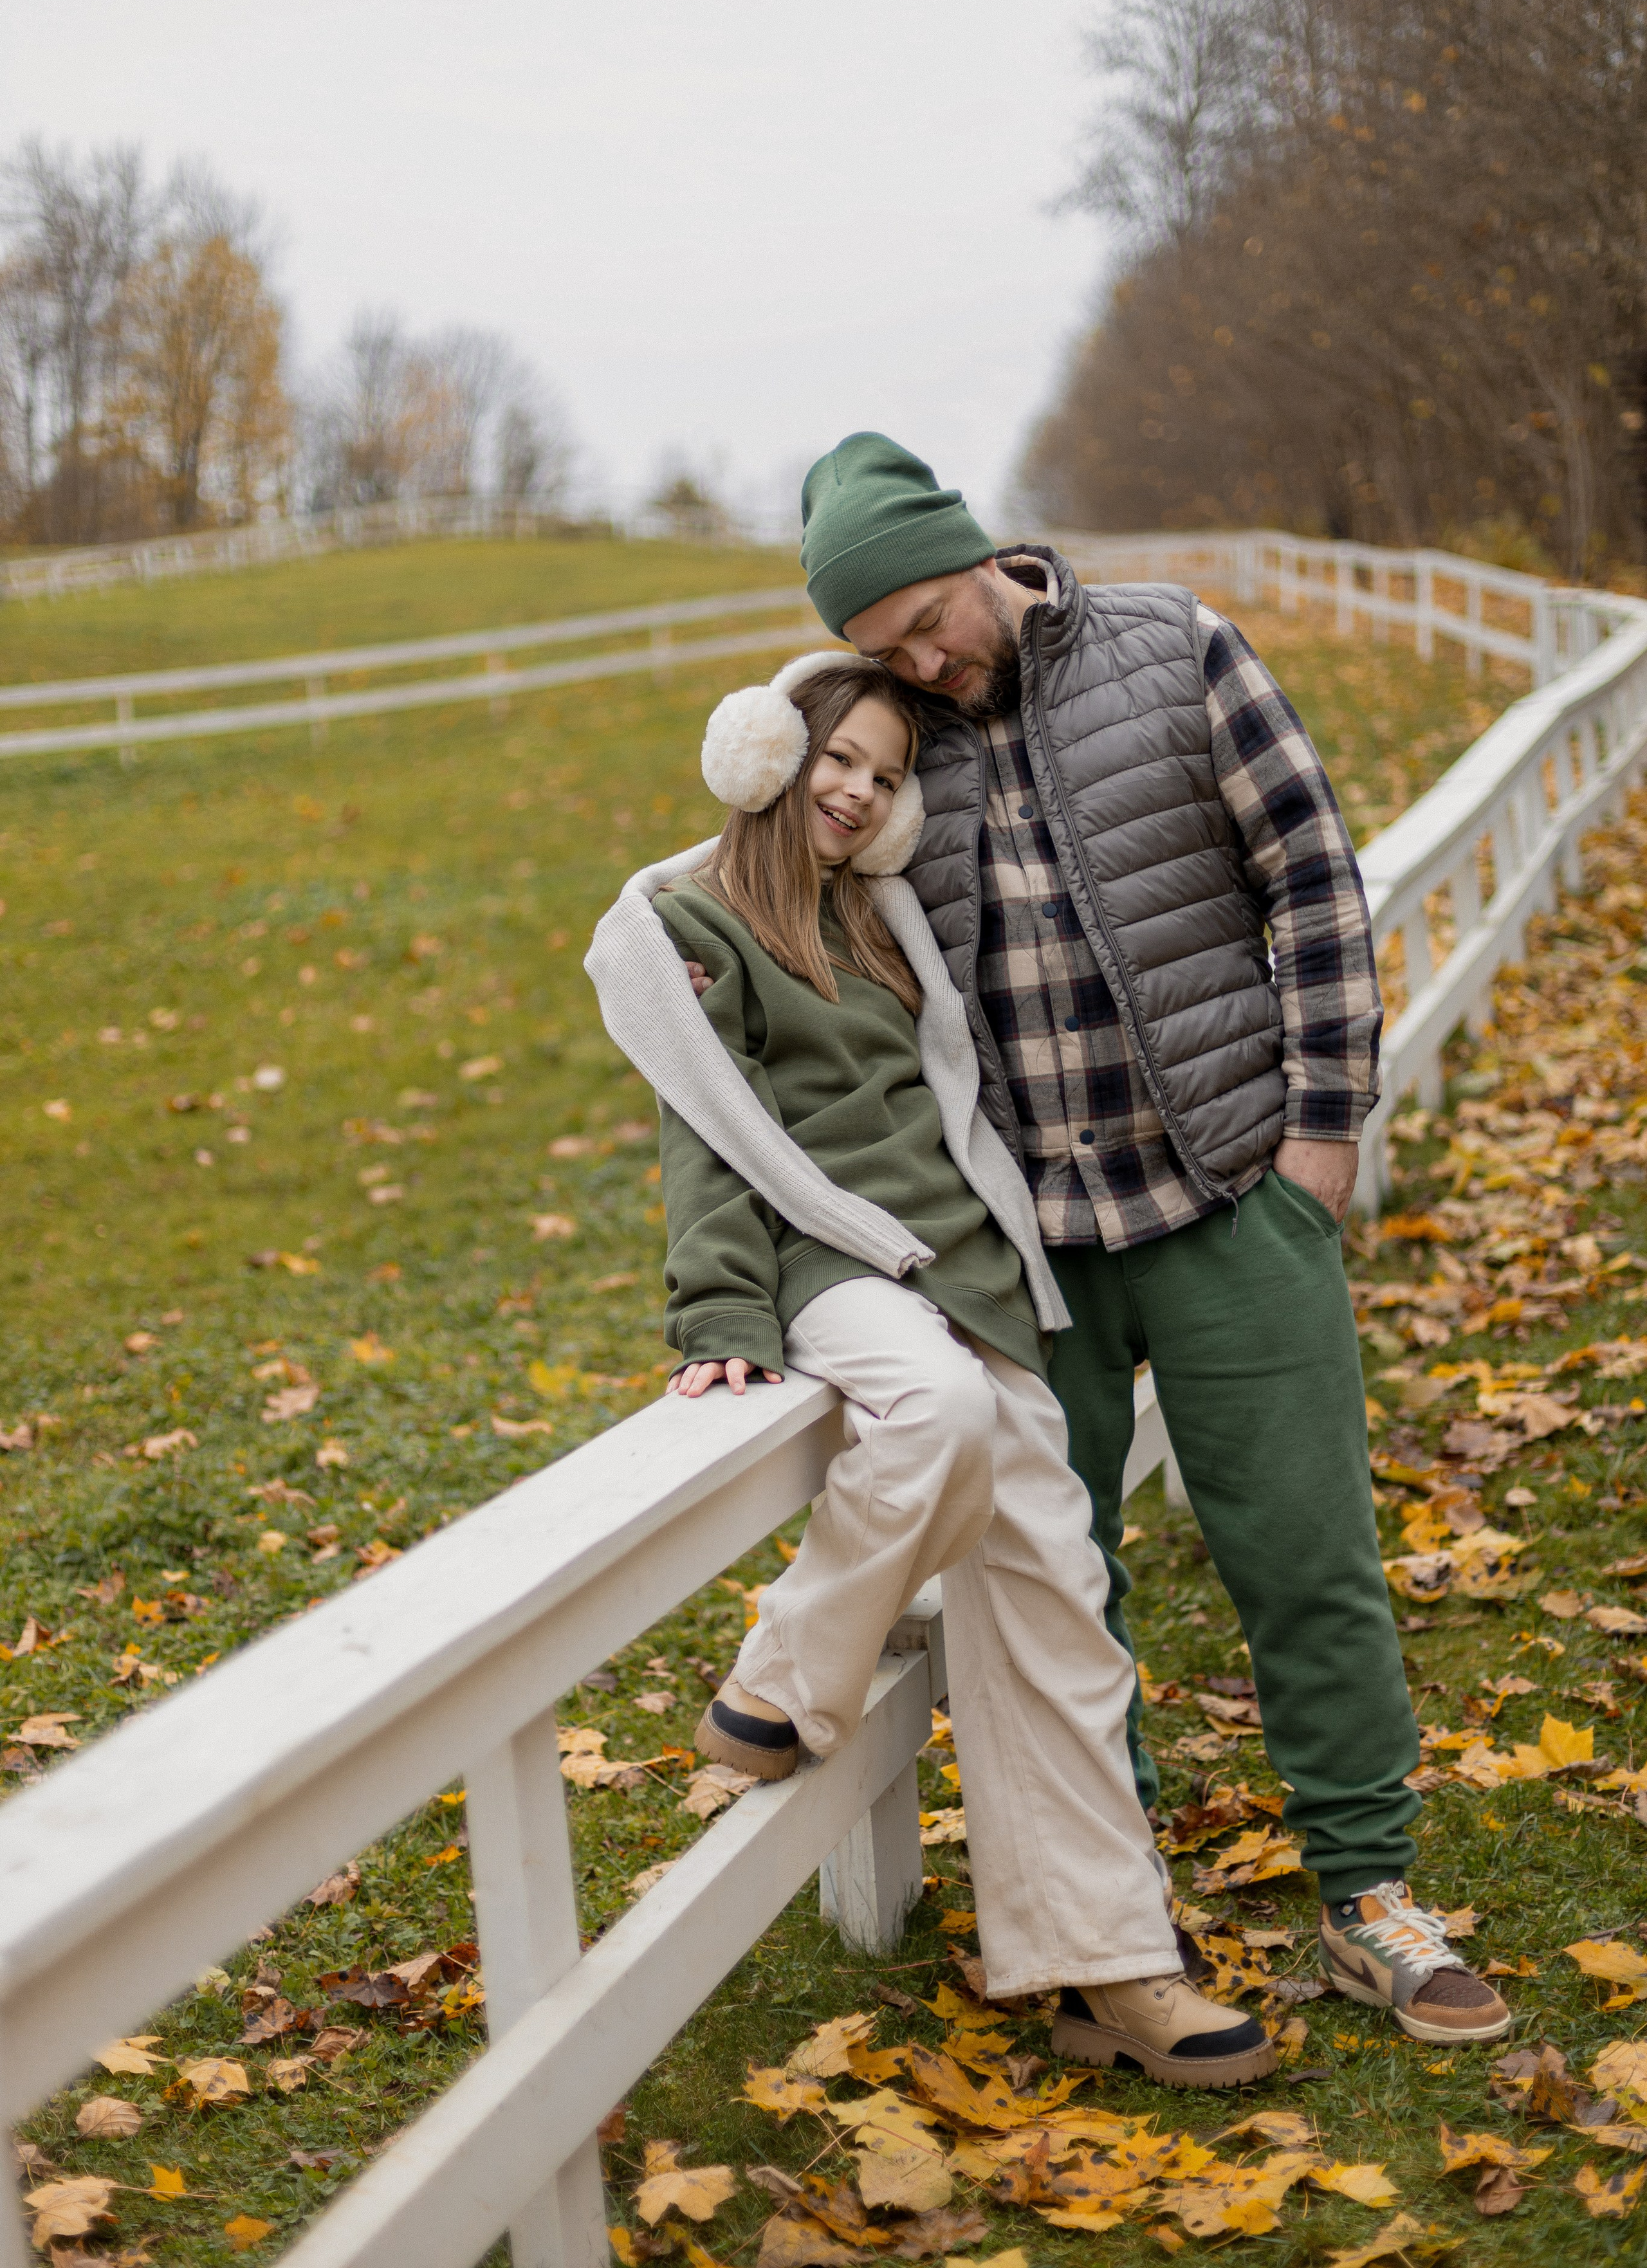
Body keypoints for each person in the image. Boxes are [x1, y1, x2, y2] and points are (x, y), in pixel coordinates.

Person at [768, 430, 1509, 2051]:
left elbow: (1309, 876)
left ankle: (1367, 1897)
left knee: (1306, 1560)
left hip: (1235, 1190)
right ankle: (1125, 1921)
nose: (915, 661)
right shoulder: (884, 745)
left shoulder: (1169, 648)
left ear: (974, 555)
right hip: (1030, 1254)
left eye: (922, 622)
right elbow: (784, 912)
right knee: (1060, 1591)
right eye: (876, 648)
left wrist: (1322, 1135)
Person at [586, 649, 1279, 2089]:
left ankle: (1109, 1969)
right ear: (767, 752)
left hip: (964, 1265)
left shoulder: (887, 919)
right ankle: (777, 1684)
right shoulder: (690, 922)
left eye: (887, 775)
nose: (856, 791)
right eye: (837, 757)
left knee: (1061, 1614)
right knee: (935, 1414)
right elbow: (706, 1133)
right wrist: (716, 1314)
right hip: (831, 1268)